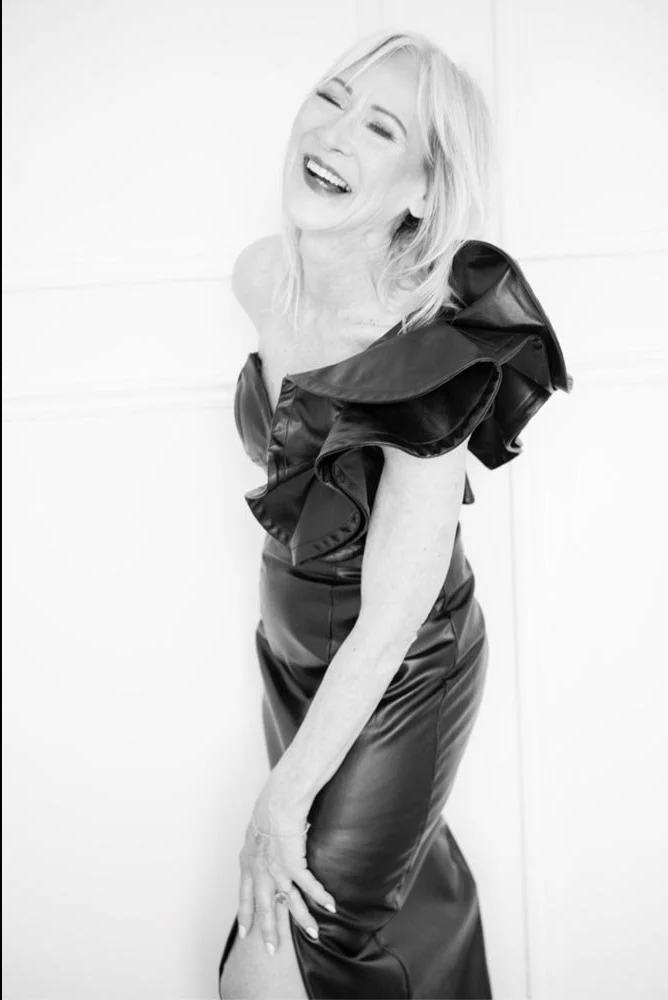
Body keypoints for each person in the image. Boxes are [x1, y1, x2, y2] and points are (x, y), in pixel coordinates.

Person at [216, 32, 569, 999]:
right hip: (293, 661)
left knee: (294, 933)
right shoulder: (261, 279)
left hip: (400, 664)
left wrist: (281, 797)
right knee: (395, 904)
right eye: (329, 99)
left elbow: (392, 618)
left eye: (379, 128)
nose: (332, 135)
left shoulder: (428, 354)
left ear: (422, 191)